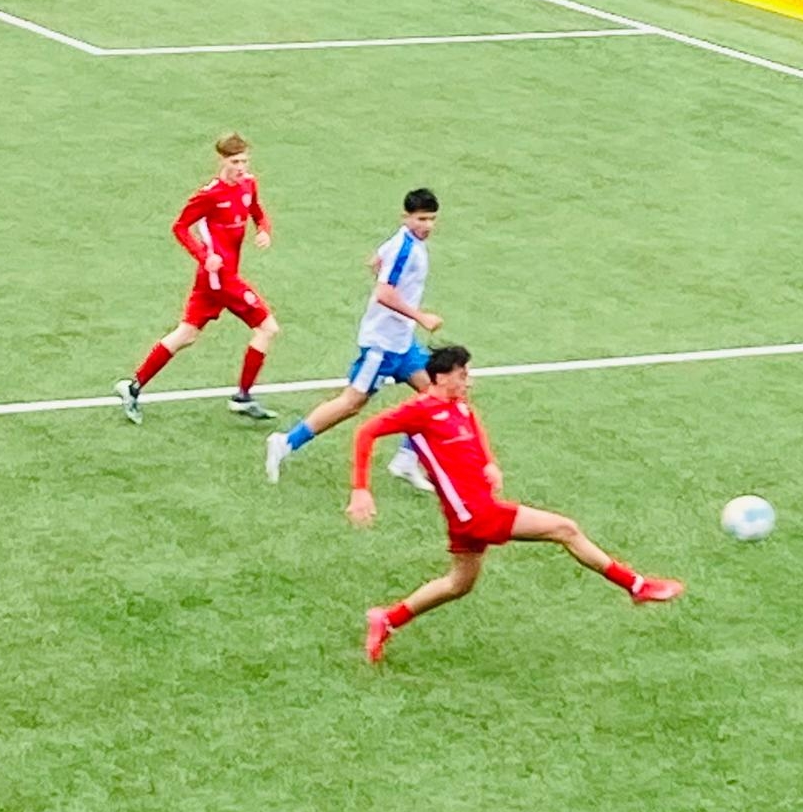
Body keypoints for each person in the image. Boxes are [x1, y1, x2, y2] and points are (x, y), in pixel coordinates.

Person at [347, 345, 683, 663]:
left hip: (466, 513)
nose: (468, 382)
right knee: (565, 529)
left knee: (458, 584)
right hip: (476, 513)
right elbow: (366, 433)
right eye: (462, 375)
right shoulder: (419, 411)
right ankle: (636, 585)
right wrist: (361, 489)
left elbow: (473, 428)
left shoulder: (460, 405)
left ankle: (387, 619)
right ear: (442, 377)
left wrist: (489, 462)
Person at [265, 188, 441, 489]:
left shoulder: (406, 242)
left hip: (403, 342)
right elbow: (383, 293)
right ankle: (285, 442)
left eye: (432, 219)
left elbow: (375, 262)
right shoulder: (404, 248)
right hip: (381, 346)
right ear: (406, 217)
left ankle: (406, 460)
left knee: (437, 393)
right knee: (351, 403)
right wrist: (420, 316)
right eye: (421, 219)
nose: (427, 225)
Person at [116, 132, 279, 423]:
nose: (241, 167)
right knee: (267, 327)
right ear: (222, 160)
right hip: (220, 278)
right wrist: (205, 257)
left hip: (214, 280)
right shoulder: (210, 195)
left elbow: (257, 212)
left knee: (186, 334)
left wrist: (264, 230)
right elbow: (180, 227)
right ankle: (242, 397)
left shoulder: (248, 184)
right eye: (235, 162)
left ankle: (133, 387)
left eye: (244, 161)